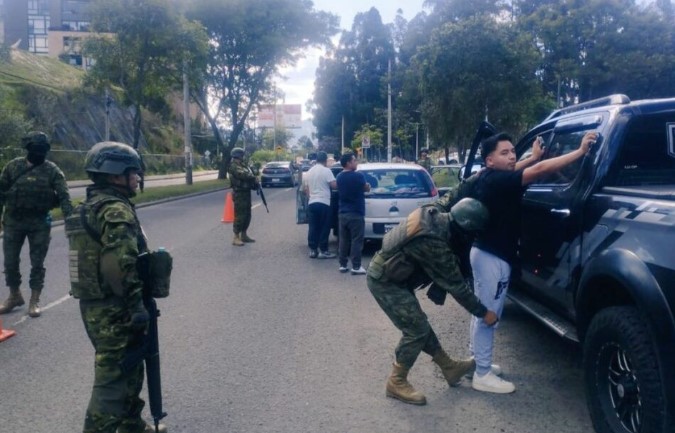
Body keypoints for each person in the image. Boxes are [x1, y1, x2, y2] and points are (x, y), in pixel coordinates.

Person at [461, 131, 597, 394]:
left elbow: (520, 169)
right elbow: (540, 171)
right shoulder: (498, 181)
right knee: (489, 315)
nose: (512, 156)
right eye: (504, 153)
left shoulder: (488, 176)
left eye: (513, 151)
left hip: (486, 254)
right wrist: (580, 152)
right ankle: (482, 374)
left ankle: (477, 362)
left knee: (482, 312)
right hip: (492, 257)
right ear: (490, 160)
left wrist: (532, 157)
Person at [65, 141, 167, 433]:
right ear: (114, 175)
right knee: (112, 380)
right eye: (132, 172)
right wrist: (136, 306)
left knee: (129, 367)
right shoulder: (115, 210)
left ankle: (131, 424)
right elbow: (118, 265)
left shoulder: (86, 207)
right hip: (117, 307)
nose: (137, 177)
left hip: (96, 304)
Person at [367, 198, 498, 405]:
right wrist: (484, 313)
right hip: (385, 281)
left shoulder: (435, 213)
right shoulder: (434, 243)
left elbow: (452, 194)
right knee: (416, 330)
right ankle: (396, 381)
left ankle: (449, 367)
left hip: (397, 277)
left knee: (419, 324)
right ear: (465, 229)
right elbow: (457, 287)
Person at [0, 131, 73, 317]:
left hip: (39, 222)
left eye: (42, 149)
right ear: (28, 148)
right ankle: (14, 295)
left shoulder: (52, 171)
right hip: (13, 221)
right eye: (35, 148)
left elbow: (64, 197)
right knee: (10, 262)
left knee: (37, 263)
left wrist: (70, 222)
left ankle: (34, 300)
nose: (39, 152)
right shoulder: (13, 167)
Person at [336, 153, 370, 275]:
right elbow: (366, 188)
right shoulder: (358, 176)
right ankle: (356, 266)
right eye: (354, 160)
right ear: (348, 163)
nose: (356, 163)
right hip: (356, 212)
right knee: (356, 240)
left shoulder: (339, 176)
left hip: (343, 213)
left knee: (344, 240)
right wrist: (368, 186)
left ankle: (343, 264)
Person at [302, 151, 337, 259]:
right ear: (325, 160)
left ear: (316, 160)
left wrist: (312, 197)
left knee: (313, 227)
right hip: (324, 203)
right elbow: (334, 185)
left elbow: (306, 190)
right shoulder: (327, 171)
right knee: (324, 227)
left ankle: (313, 250)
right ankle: (323, 250)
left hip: (312, 203)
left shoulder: (309, 172)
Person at [227, 147, 259, 246]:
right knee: (240, 215)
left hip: (246, 192)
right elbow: (243, 175)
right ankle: (236, 237)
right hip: (239, 193)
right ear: (238, 155)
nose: (243, 157)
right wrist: (253, 177)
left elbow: (252, 172)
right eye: (242, 155)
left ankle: (244, 235)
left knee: (247, 215)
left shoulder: (243, 165)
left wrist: (254, 178)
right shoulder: (233, 166)